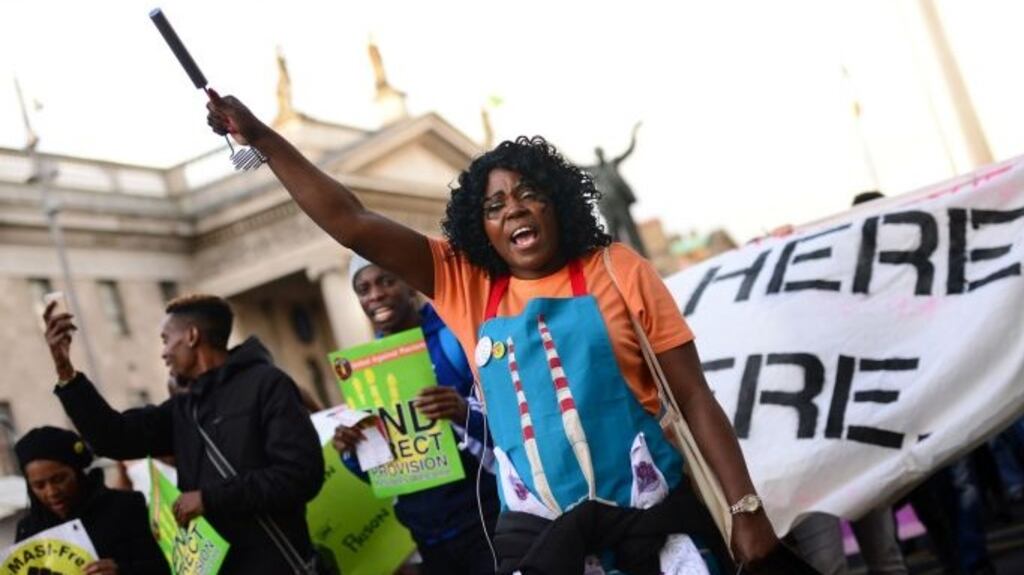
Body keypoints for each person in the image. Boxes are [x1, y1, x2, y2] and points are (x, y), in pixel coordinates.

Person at [205, 92, 781, 574]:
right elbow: (350, 222)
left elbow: (694, 398)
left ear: (556, 205)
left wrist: (745, 510)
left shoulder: (619, 268)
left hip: (652, 529)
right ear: (480, 227)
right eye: (496, 204)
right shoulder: (466, 283)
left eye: (530, 195)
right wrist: (264, 140)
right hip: (537, 544)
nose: (514, 210)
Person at [42, 293, 325, 574]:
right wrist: (66, 371)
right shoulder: (183, 407)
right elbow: (113, 437)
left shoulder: (267, 385)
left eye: (166, 340)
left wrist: (208, 498)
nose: (163, 352)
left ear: (191, 336)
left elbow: (300, 474)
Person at [332, 255, 500, 575]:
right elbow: (389, 475)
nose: (375, 294)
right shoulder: (364, 372)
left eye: (386, 281)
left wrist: (463, 412)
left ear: (410, 285)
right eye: (363, 289)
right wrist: (353, 451)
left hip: (488, 523)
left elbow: (512, 427)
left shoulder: (454, 338)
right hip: (429, 540)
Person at [14, 426, 170, 575]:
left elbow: (166, 565)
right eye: (39, 485)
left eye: (59, 479)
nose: (52, 492)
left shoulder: (126, 507)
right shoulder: (28, 531)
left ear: (77, 472)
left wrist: (122, 570)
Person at [583, 121, 647, 256]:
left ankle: (643, 256)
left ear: (603, 153)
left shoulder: (612, 164)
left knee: (631, 231)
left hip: (620, 203)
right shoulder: (593, 170)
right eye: (597, 153)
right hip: (607, 206)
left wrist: (634, 133)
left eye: (601, 152)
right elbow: (574, 164)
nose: (600, 154)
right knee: (614, 235)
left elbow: (629, 150)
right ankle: (619, 260)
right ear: (596, 155)